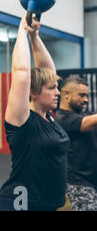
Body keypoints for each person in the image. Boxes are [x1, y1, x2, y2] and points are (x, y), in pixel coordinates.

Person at [0, 15, 70, 211]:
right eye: (52, 88)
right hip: (22, 203)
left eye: (57, 87)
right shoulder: (22, 121)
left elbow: (48, 71)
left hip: (47, 204)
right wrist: (23, 30)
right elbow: (21, 73)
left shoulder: (49, 118)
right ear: (33, 93)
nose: (58, 92)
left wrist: (35, 36)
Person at [55, 76, 97, 211]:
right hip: (76, 185)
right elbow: (85, 124)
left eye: (87, 95)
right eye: (82, 95)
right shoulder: (62, 118)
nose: (86, 99)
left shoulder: (84, 115)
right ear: (66, 94)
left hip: (90, 182)